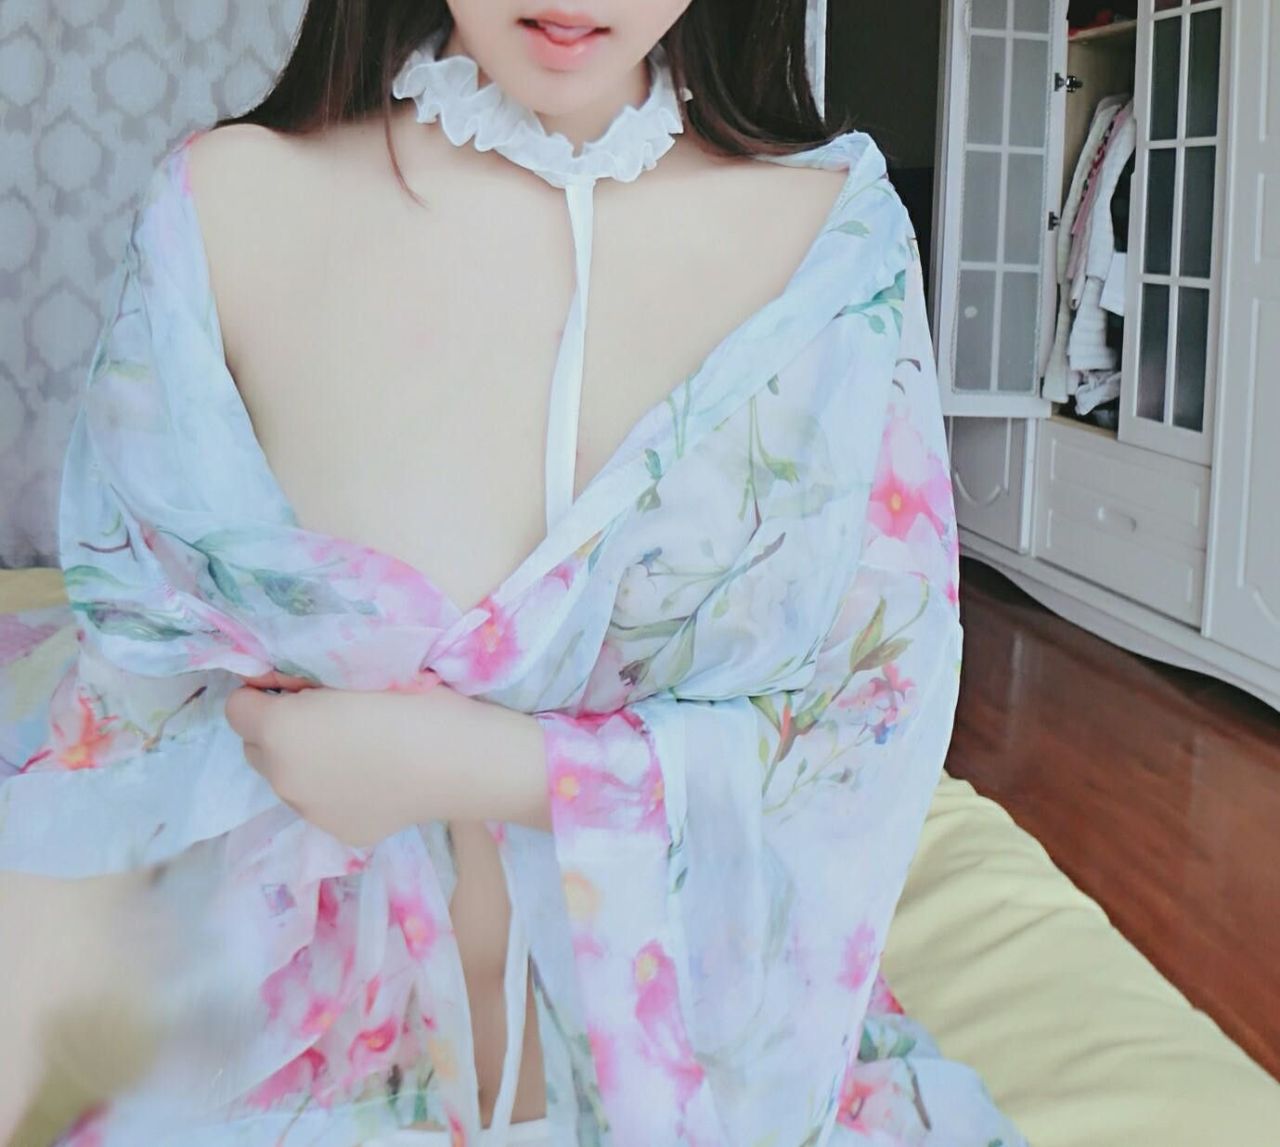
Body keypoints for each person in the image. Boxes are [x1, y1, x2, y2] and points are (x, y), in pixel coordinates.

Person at [0, 2, 1029, 1145]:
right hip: (311, 1048)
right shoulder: (227, 200)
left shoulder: (834, 244)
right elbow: (122, 717)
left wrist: (492, 767)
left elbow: (866, 725)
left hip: (710, 1062)